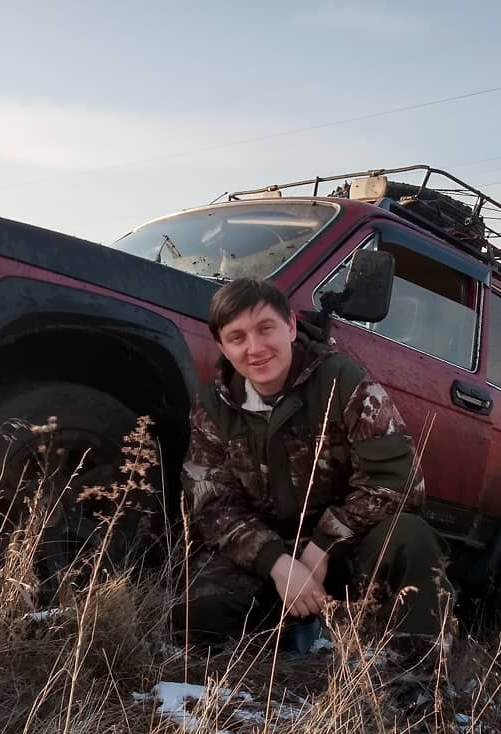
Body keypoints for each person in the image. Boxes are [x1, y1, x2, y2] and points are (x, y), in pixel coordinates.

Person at [178, 277, 454, 662]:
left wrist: (324, 544)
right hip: (270, 558)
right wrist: (276, 562)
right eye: (237, 337)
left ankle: (416, 687)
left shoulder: (344, 381)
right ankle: (290, 639)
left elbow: (399, 482)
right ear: (222, 346)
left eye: (265, 329)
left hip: (346, 551)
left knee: (411, 538)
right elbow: (212, 504)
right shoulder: (213, 404)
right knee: (198, 618)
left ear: (290, 327)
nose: (255, 348)